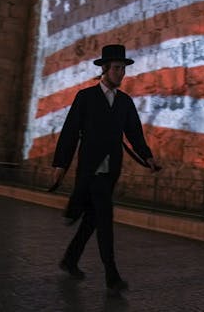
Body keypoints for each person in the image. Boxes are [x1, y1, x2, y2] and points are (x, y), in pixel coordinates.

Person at [51, 44, 160, 297]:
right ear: (105, 69)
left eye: (123, 69)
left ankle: (70, 259)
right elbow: (70, 132)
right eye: (118, 69)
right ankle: (112, 275)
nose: (122, 74)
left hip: (111, 170)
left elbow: (134, 133)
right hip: (90, 169)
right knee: (104, 217)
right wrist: (60, 165)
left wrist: (148, 157)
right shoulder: (85, 97)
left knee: (91, 220)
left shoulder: (125, 102)